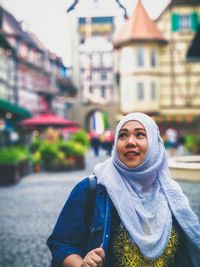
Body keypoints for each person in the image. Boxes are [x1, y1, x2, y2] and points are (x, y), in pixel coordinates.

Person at [47, 112, 200, 267]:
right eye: (123, 135)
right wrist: (82, 263)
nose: (130, 142)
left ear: (154, 143)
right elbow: (61, 242)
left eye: (140, 134)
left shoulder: (173, 195)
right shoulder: (90, 189)